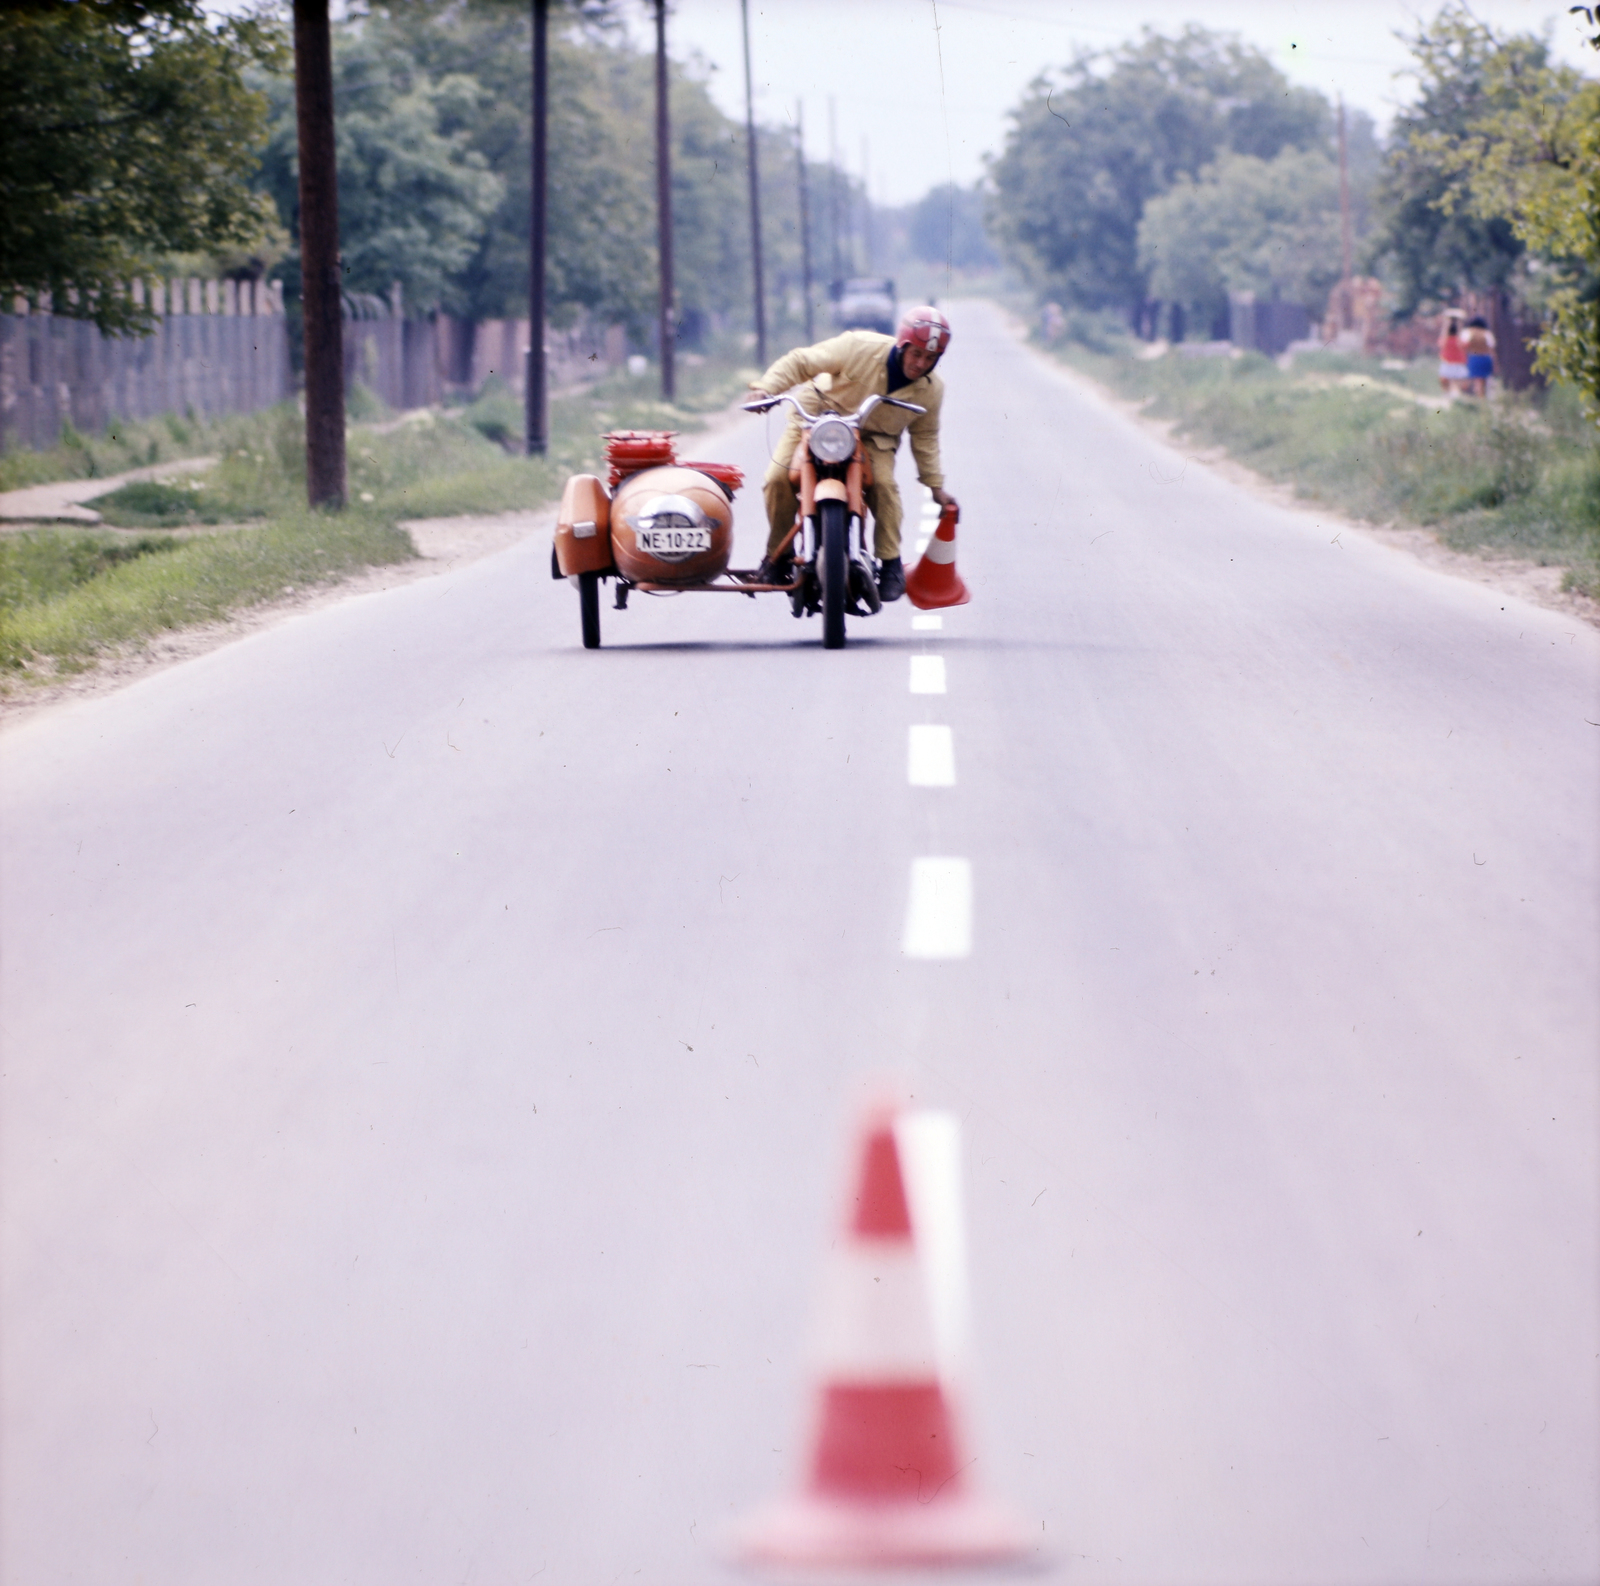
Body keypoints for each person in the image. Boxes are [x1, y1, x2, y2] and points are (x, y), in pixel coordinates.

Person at [748, 307, 957, 602]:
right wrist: (766, 389)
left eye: (929, 358)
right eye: (916, 354)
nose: (920, 363)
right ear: (902, 345)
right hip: (815, 420)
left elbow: (925, 437)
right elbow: (802, 361)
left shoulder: (931, 390)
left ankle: (890, 563)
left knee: (884, 486)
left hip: (873, 439)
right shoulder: (860, 347)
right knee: (777, 478)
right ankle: (778, 557)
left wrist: (936, 488)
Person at [1462, 316, 1496, 398]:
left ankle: (1475, 398)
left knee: (1473, 380)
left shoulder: (1468, 332)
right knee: (1483, 381)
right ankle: (1481, 399)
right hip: (1486, 358)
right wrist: (1495, 363)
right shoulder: (1487, 334)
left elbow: (1463, 345)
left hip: (1474, 358)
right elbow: (1492, 349)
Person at [1437, 314, 1467, 395]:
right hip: (1458, 364)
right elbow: (1465, 344)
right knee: (1458, 382)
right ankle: (1456, 395)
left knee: (1445, 381)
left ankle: (1448, 394)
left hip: (1448, 363)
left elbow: (1441, 341)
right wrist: (1460, 325)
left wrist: (1446, 324)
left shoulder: (1445, 340)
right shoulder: (1459, 340)